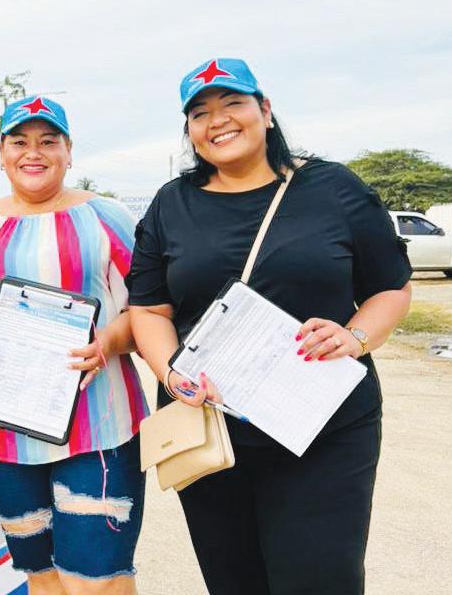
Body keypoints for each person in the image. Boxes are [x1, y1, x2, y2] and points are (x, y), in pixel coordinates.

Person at [127, 58, 413, 594]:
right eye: (200, 113)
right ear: (189, 130)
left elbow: (391, 287)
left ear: (265, 110)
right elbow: (149, 309)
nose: (217, 120)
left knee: (320, 580)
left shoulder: (333, 188)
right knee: (234, 581)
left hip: (323, 425)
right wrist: (171, 372)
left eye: (232, 103)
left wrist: (354, 337)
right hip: (211, 429)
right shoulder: (171, 204)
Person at [0, 96, 149, 595]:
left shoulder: (106, 217)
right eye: (19, 142)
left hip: (99, 429)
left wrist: (106, 340)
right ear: (1, 155)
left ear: (69, 151)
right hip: (2, 435)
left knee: (99, 581)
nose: (33, 152)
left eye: (48, 141)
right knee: (41, 578)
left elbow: (151, 310)